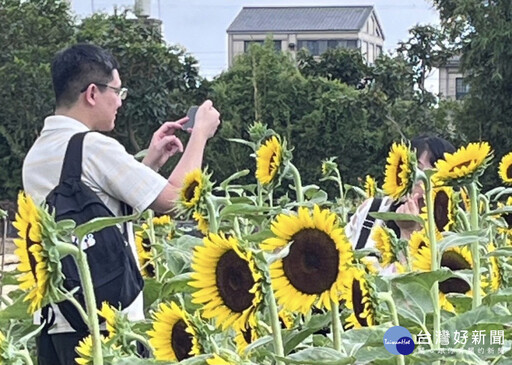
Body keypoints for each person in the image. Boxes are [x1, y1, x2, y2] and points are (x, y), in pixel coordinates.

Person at [22, 43, 220, 365]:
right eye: (118, 91)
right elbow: (175, 200)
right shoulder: (94, 146)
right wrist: (200, 135)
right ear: (92, 94)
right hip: (107, 328)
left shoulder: (38, 153)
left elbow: (95, 203)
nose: (120, 102)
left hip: (57, 323)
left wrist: (151, 161)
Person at [346, 135, 456, 270]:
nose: (403, 176)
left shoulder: (450, 237)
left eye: (416, 170)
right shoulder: (373, 210)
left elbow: (413, 287)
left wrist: (408, 231)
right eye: (403, 168)